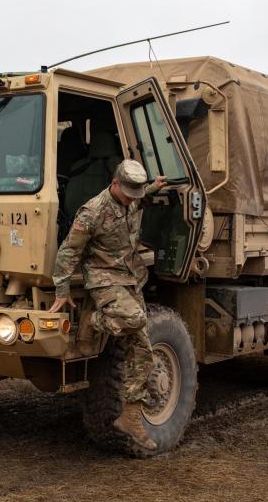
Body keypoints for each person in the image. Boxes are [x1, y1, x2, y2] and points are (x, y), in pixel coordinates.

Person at [49, 159, 166, 450]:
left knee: (143, 350)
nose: (132, 199)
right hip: (103, 279)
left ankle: (130, 417)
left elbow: (139, 199)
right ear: (114, 184)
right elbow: (68, 251)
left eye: (136, 194)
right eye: (128, 193)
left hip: (129, 277)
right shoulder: (93, 211)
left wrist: (152, 189)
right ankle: (93, 322)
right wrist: (62, 290)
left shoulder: (132, 200)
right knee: (137, 319)